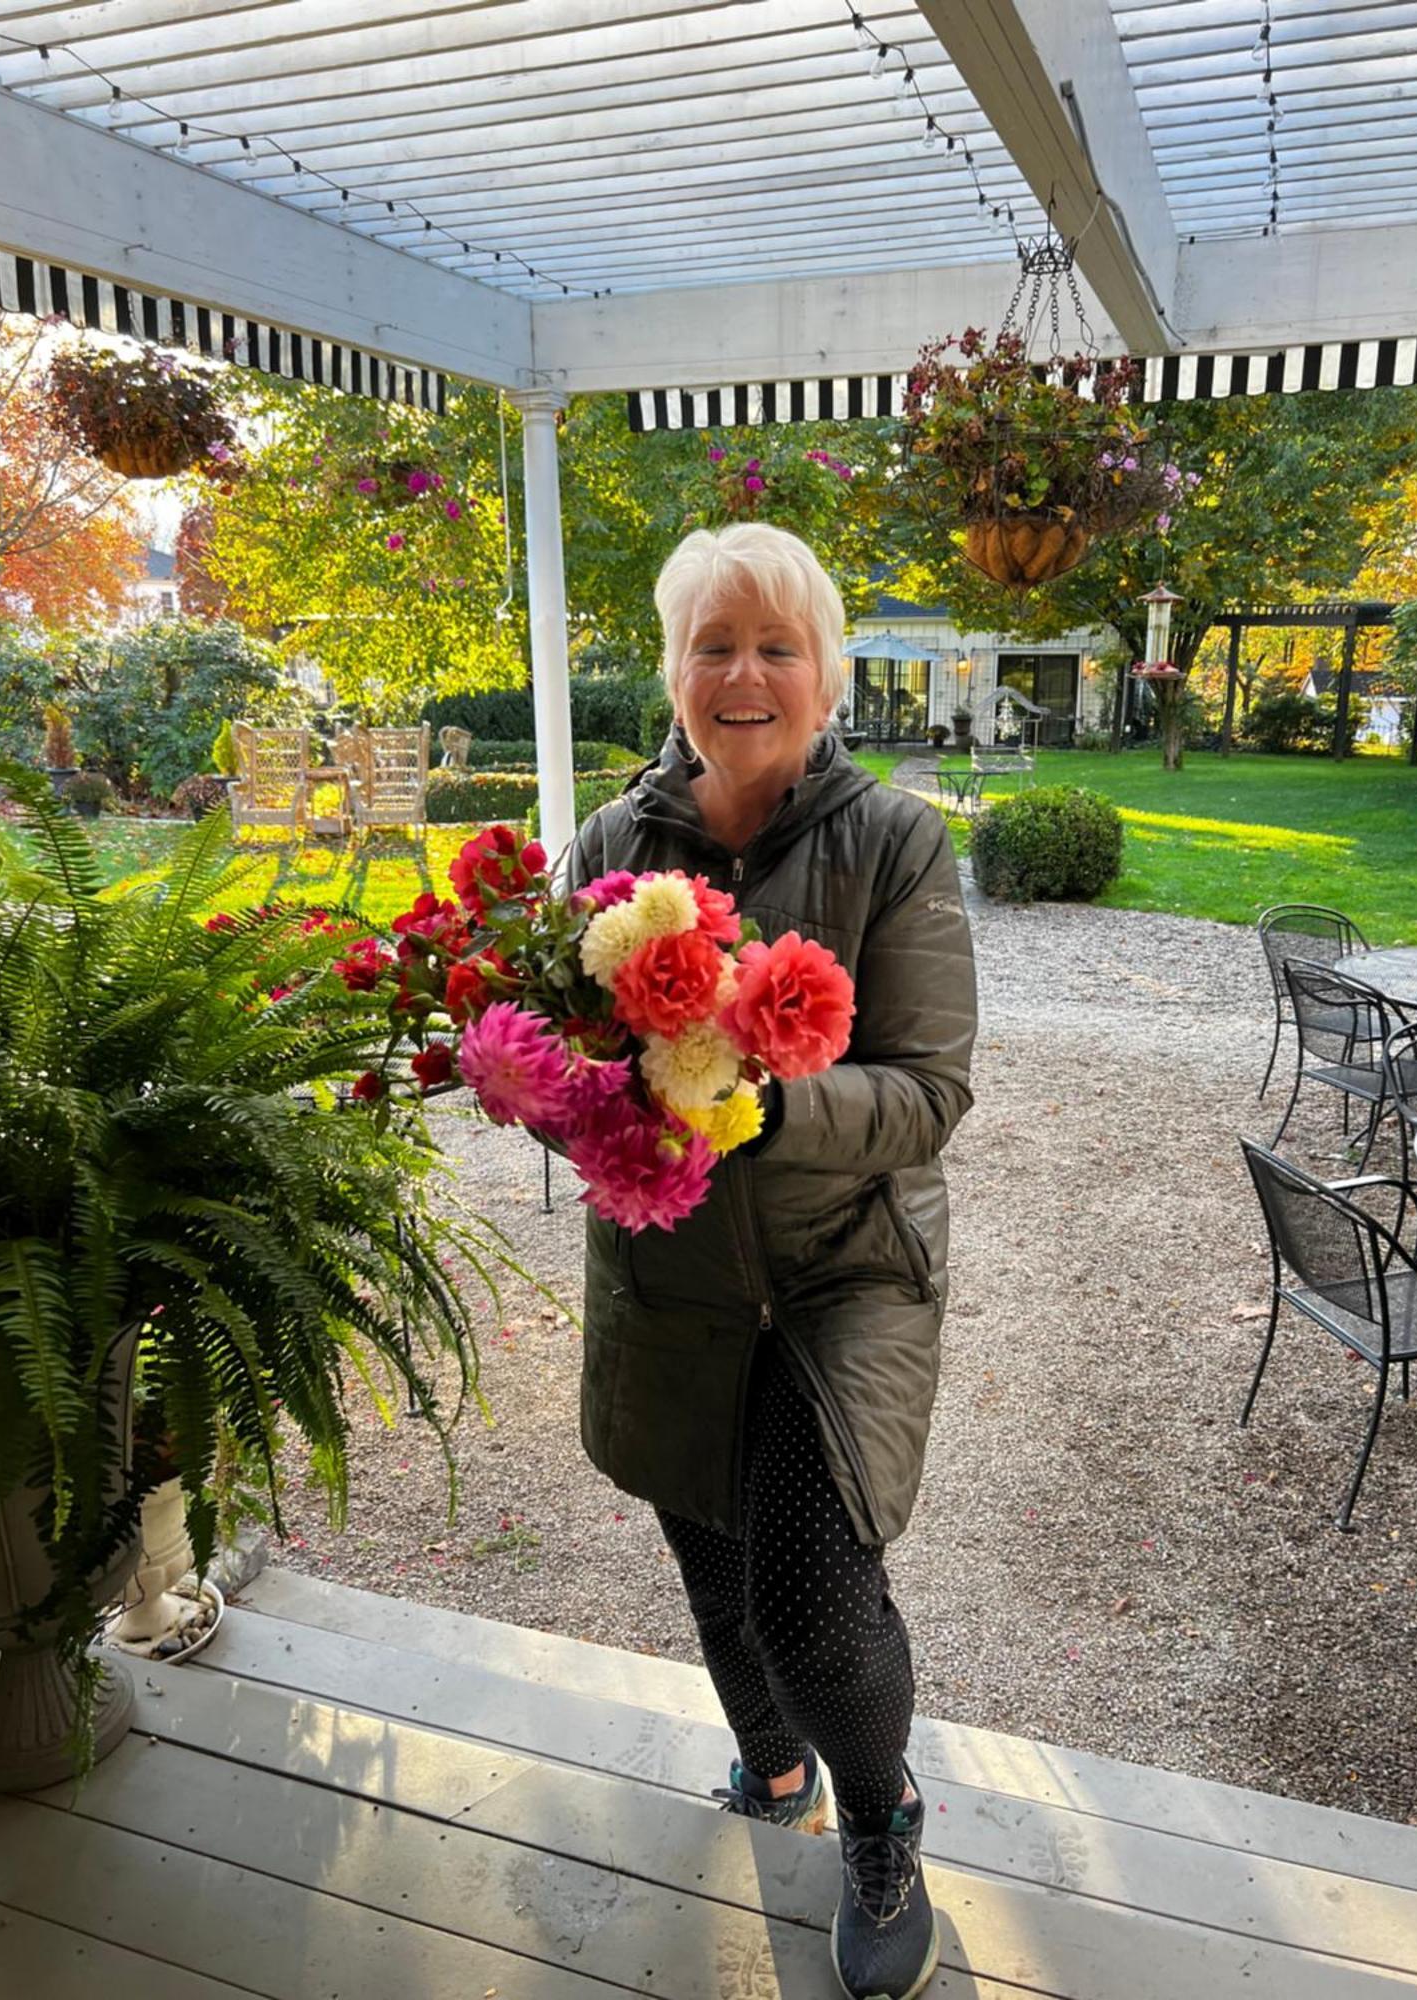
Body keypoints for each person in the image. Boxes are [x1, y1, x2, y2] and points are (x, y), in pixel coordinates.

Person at [565, 522, 977, 2000]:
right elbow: (570, 1061)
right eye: (713, 645)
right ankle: (773, 1767)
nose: (744, 674)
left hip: (841, 1273)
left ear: (827, 672)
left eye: (777, 645)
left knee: (811, 1589)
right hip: (670, 1283)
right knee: (717, 1563)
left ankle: (882, 1818)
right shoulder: (614, 849)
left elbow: (931, 1095)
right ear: (674, 671)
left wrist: (758, 1106)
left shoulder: (896, 841)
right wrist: (542, 1083)